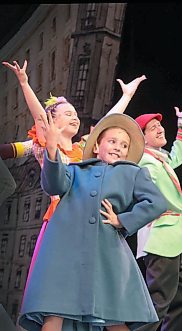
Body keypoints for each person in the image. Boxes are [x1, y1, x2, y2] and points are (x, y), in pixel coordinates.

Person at [18, 112, 168, 330]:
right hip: (65, 248)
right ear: (97, 146)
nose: (118, 147)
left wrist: (122, 220)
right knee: (54, 310)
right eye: (112, 141)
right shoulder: (76, 170)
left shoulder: (132, 173)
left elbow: (156, 202)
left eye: (124, 145)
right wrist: (51, 149)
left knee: (114, 315)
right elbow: (53, 185)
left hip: (106, 250)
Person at [2, 59, 146, 284]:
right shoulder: (45, 144)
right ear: (53, 120)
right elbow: (40, 117)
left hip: (87, 217)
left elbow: (105, 125)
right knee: (58, 279)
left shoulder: (83, 149)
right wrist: (24, 83)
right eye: (67, 114)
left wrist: (126, 96)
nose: (75, 117)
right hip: (62, 217)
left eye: (75, 114)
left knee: (88, 278)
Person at [134, 101, 182, 331]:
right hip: (159, 238)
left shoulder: (158, 158)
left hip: (172, 237)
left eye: (159, 126)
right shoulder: (141, 161)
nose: (161, 129)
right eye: (152, 128)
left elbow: (175, 159)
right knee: (157, 304)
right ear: (140, 138)